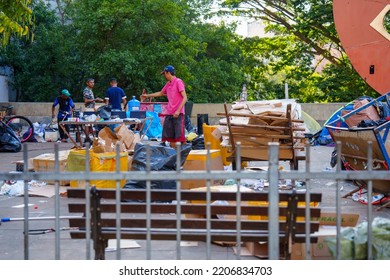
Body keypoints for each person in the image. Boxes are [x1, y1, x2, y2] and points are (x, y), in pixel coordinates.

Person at [141, 65, 187, 148]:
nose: (164, 76)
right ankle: (172, 154)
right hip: (170, 113)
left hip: (178, 114)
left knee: (179, 137)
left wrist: (178, 110)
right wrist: (147, 95)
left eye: (164, 74)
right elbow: (160, 93)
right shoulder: (168, 84)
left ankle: (183, 154)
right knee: (169, 137)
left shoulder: (178, 82)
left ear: (168, 73)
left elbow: (185, 97)